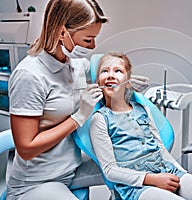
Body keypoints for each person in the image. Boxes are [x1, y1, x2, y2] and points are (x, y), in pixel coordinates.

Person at [7, 1, 148, 200]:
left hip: (72, 166)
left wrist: (125, 84)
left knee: (141, 163)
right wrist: (78, 118)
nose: (93, 46)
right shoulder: (30, 76)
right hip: (37, 181)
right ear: (62, 32)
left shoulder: (76, 65)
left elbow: (105, 76)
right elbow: (26, 148)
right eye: (88, 39)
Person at [90, 52, 192, 200]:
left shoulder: (143, 110)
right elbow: (110, 170)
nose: (110, 75)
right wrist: (151, 179)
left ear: (128, 81)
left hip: (166, 170)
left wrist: (185, 175)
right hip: (135, 186)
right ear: (98, 82)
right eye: (105, 71)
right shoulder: (100, 119)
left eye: (118, 71)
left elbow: (161, 149)